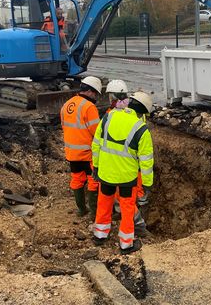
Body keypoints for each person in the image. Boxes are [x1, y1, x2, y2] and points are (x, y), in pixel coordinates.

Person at [92, 91, 154, 254]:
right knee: (127, 209)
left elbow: (96, 144)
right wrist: (147, 184)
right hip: (127, 176)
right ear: (142, 112)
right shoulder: (141, 129)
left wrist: (96, 167)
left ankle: (100, 235)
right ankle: (126, 244)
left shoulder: (109, 117)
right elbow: (146, 162)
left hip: (106, 172)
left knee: (104, 202)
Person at [60, 76, 103, 218]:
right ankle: (94, 213)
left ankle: (81, 210)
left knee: (77, 179)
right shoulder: (89, 107)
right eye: (96, 93)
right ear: (90, 91)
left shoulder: (67, 104)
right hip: (87, 153)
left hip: (72, 153)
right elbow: (97, 132)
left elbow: (64, 127)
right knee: (93, 180)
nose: (96, 96)